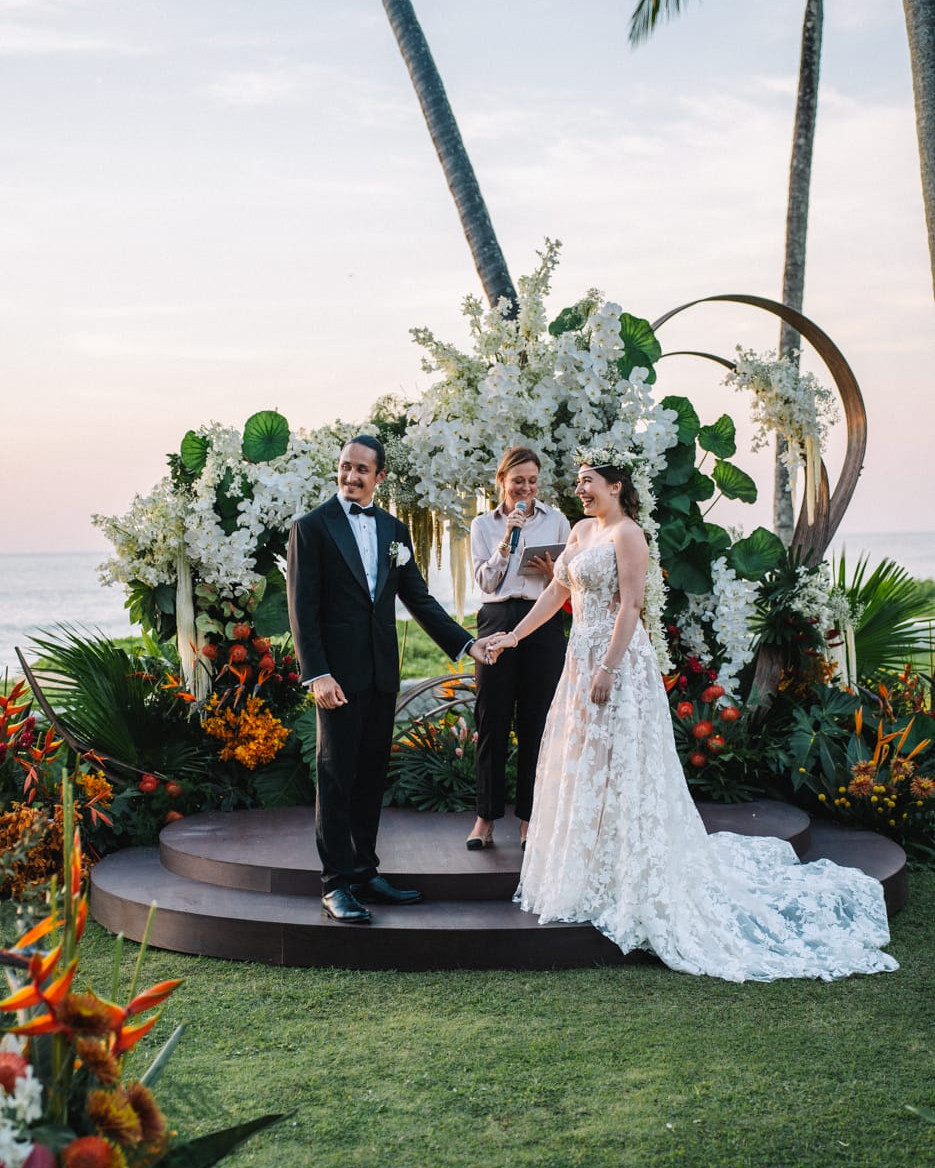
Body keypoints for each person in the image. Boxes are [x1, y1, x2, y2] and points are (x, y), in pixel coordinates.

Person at [485, 452, 898, 981]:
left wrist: (608, 668)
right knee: (583, 766)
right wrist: (514, 636)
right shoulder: (581, 530)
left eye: (588, 483)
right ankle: (591, 874)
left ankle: (634, 879)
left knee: (625, 769)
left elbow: (631, 606)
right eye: (579, 484)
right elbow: (556, 591)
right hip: (577, 662)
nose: (580, 491)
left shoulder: (628, 535)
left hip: (617, 664)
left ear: (615, 485)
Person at [287, 435, 490, 924]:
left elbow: (419, 599)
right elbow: (302, 609)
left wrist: (468, 644)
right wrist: (317, 674)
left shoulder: (395, 531)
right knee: (335, 778)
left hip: (381, 677)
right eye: (345, 467)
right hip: (334, 678)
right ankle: (335, 885)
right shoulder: (311, 528)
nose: (351, 476)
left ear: (379, 477)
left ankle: (364, 871)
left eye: (362, 470)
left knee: (370, 776)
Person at [467, 446, 570, 850]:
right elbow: (485, 583)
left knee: (536, 723)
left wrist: (552, 573)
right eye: (518, 481)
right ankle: (485, 819)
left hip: (542, 621)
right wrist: (506, 541)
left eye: (532, 480)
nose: (526, 488)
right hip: (496, 621)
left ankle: (529, 819)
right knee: (491, 720)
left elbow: (567, 582)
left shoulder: (558, 521)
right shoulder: (482, 525)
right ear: (502, 483)